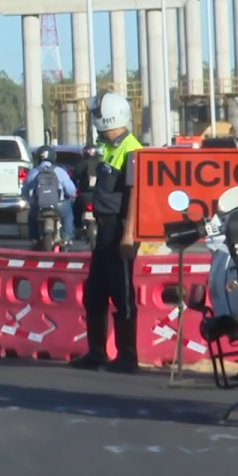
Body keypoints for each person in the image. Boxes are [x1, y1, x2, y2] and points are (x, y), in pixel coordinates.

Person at [70, 90, 143, 373]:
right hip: (103, 231)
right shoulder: (111, 148)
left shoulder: (132, 149)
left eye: (97, 115)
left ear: (107, 116)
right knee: (95, 292)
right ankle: (97, 352)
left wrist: (129, 235)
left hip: (119, 228)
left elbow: (135, 194)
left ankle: (128, 355)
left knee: (122, 292)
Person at [21, 145, 77, 247]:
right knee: (68, 215)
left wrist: (31, 201)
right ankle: (66, 237)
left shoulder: (33, 172)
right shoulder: (60, 171)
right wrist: (72, 196)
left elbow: (25, 190)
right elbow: (71, 190)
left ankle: (34, 238)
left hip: (39, 206)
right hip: (58, 205)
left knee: (32, 217)